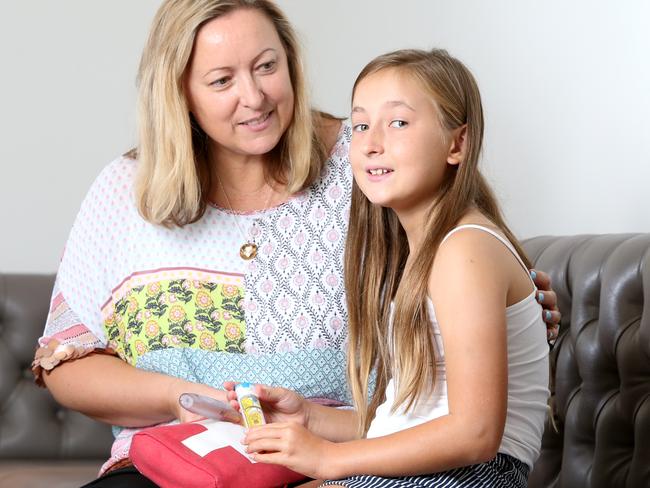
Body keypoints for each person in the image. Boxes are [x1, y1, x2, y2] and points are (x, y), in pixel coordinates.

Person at [31, 1, 559, 485]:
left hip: (350, 451)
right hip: (195, 451)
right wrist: (185, 399)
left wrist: (528, 305)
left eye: (267, 66)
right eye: (221, 80)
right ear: (180, 94)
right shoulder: (122, 190)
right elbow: (67, 363)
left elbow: (475, 264)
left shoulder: (365, 163)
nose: (254, 97)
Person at [235, 48, 550, 487]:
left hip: (472, 474)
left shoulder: (464, 251)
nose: (370, 141)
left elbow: (475, 433)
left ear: (456, 144)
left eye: (398, 122)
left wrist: (328, 460)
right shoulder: (422, 255)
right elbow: (409, 425)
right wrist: (309, 418)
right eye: (361, 124)